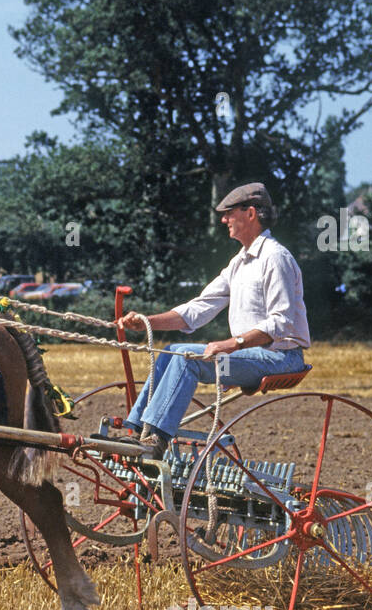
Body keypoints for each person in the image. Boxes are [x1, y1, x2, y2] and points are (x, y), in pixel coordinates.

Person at [116, 182, 310, 456]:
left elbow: (280, 323)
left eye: (229, 212)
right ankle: (136, 431)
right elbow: (199, 308)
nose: (223, 219)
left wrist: (232, 344)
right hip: (249, 358)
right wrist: (147, 321)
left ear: (251, 213)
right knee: (171, 351)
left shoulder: (275, 258)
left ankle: (154, 441)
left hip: (280, 359)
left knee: (186, 357)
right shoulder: (239, 263)